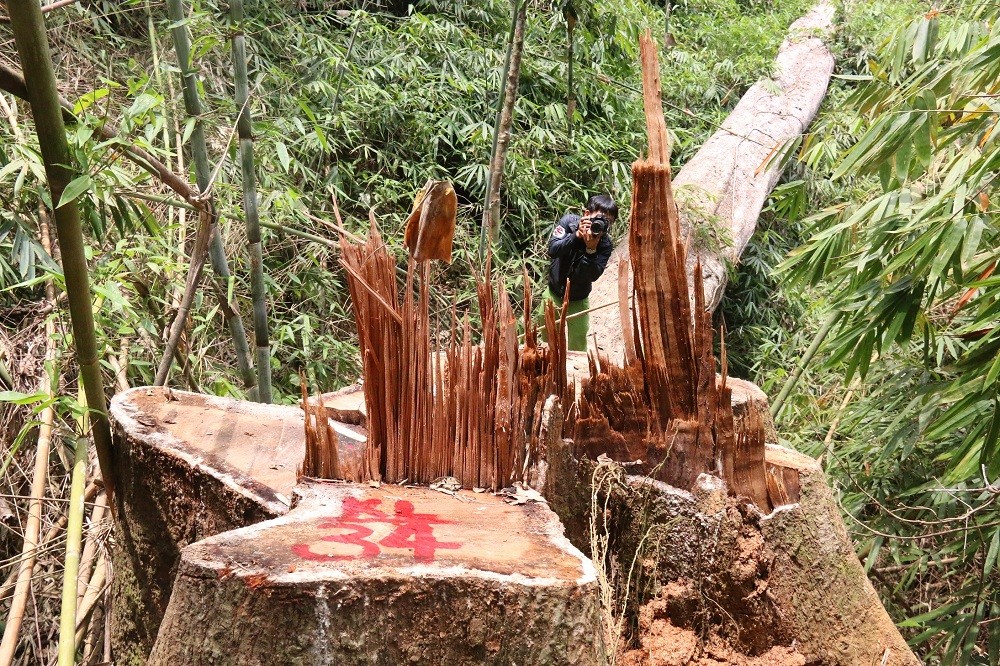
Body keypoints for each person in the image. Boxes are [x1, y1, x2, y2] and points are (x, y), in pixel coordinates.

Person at [545, 193, 617, 351]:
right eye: (600, 218)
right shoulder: (569, 222)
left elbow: (593, 275)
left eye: (608, 222)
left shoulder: (604, 245)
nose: (602, 224)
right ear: (586, 214)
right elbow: (552, 250)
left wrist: (590, 250)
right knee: (544, 341)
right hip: (553, 293)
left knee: (578, 346)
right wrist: (576, 236)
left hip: (578, 300)